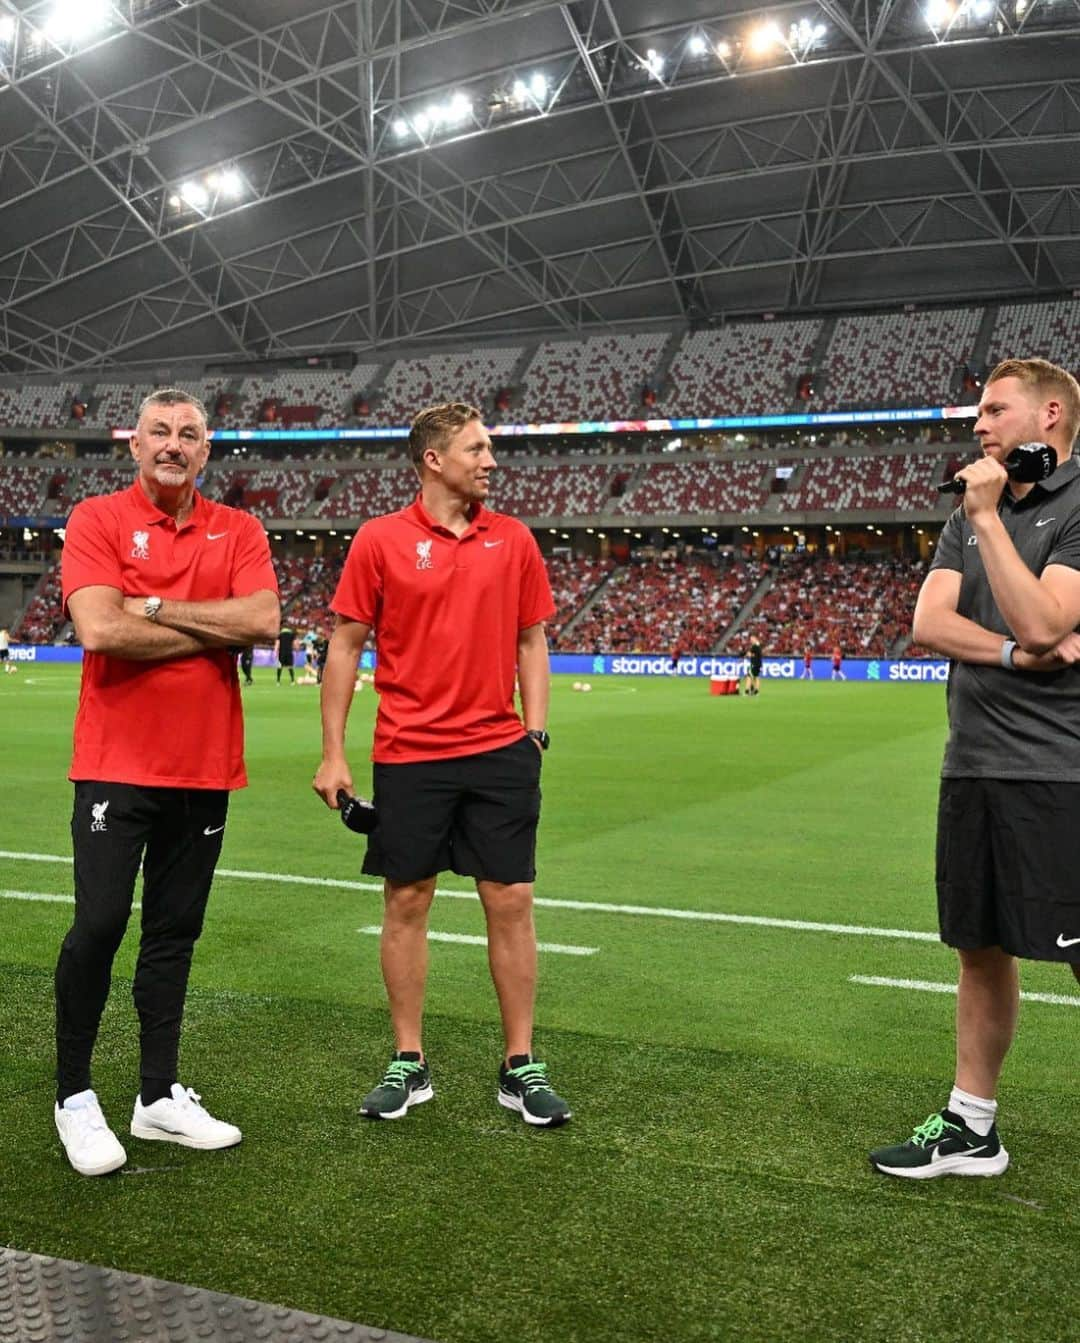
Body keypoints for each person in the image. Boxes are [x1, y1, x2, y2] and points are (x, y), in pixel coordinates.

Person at [313, 401, 571, 1128]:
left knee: (511, 900)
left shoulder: (514, 539)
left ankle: (521, 1064)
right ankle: (408, 1060)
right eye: (476, 448)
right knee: (406, 899)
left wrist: (537, 733)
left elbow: (532, 639)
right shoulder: (380, 540)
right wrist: (334, 752)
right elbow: (345, 642)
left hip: (498, 751)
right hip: (409, 751)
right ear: (434, 459)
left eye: (489, 447)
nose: (490, 459)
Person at [54, 388, 280, 1177]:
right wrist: (205, 624)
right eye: (160, 431)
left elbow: (261, 623)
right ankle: (74, 1096)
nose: (174, 444)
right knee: (101, 924)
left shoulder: (240, 529)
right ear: (135, 444)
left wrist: (153, 605)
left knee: (173, 933)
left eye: (189, 433)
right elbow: (99, 628)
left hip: (205, 767)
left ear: (206, 450)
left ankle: (155, 1099)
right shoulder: (97, 520)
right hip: (117, 764)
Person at [870, 358, 1080, 1179]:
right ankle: (973, 1125)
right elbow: (929, 621)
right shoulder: (974, 508)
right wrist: (1008, 651)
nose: (979, 425)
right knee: (980, 946)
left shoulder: (1057, 506)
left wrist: (989, 523)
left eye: (996, 410)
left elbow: (1046, 616)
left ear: (1051, 414)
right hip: (975, 764)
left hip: (1059, 772)